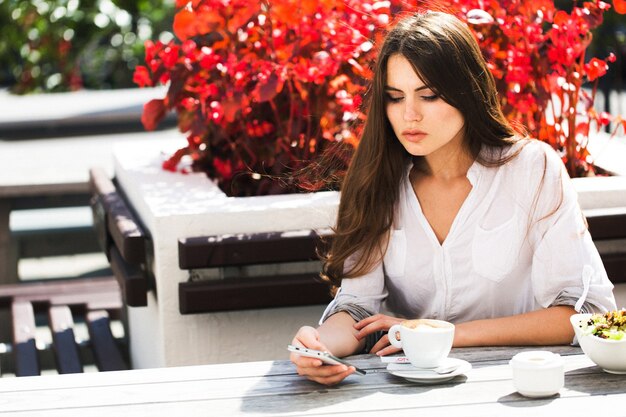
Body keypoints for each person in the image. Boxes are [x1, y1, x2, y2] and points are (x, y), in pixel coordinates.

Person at [289, 10, 617, 385]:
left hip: (513, 387)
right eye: (395, 97)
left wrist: (439, 332)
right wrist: (319, 346)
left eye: (428, 95)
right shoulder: (375, 181)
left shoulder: (532, 168)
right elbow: (357, 307)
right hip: (405, 392)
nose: (409, 115)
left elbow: (584, 312)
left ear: (467, 93)